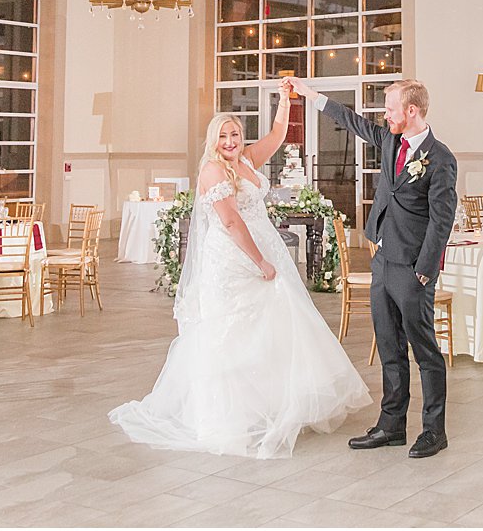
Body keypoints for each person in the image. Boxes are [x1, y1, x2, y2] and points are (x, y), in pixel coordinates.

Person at [108, 79, 370, 458]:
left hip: (263, 248)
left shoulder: (246, 160)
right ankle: (230, 417)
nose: (230, 141)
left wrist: (284, 99)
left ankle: (273, 406)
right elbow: (231, 223)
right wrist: (260, 261)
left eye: (234, 134)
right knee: (234, 334)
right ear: (213, 141)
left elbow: (278, 135)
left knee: (277, 328)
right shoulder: (213, 172)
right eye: (223, 136)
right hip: (234, 260)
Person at [287, 75, 457, 459]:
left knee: (424, 350)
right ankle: (391, 424)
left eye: (391, 109)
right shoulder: (389, 140)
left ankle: (434, 430)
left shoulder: (441, 158)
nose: (385, 115)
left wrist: (424, 270)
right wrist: (309, 94)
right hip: (382, 261)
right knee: (389, 348)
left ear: (411, 111)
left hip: (413, 268)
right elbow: (351, 120)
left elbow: (441, 220)